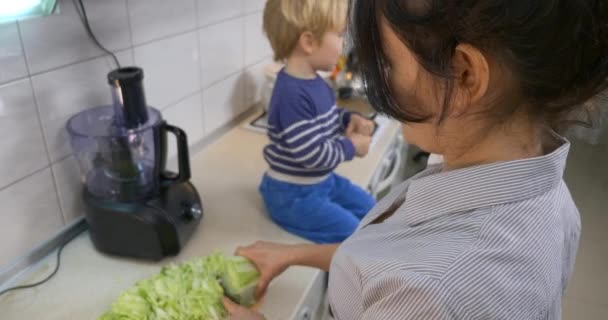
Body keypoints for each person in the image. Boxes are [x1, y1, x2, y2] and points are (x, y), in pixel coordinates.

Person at [224, 0, 608, 319]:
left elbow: (407, 280)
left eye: (388, 63)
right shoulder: (555, 203)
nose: (383, 80)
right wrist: (295, 254)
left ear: (465, 74)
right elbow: (385, 264)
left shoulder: (429, 295)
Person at [258, 0, 377, 244]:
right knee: (354, 234)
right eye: (340, 35)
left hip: (322, 182)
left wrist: (348, 119)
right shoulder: (291, 94)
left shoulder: (315, 83)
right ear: (309, 42)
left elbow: (326, 118)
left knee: (375, 210)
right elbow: (312, 155)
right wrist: (351, 147)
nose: (344, 44)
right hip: (292, 195)